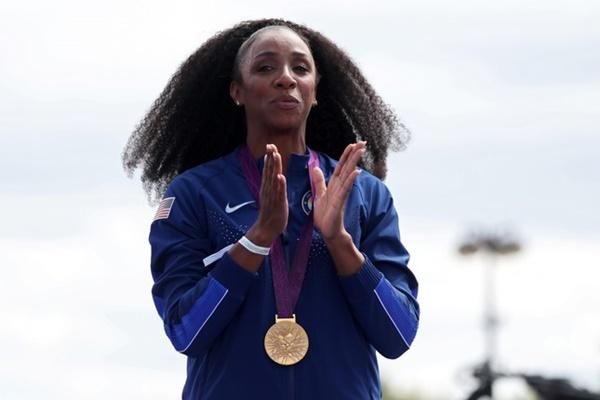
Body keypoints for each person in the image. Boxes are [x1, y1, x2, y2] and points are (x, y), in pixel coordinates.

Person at [123, 18, 419, 400]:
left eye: (300, 68)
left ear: (315, 90)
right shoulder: (194, 194)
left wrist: (339, 242)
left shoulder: (365, 194)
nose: (286, 79)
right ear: (237, 91)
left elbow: (398, 334)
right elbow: (186, 331)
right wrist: (257, 239)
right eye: (265, 68)